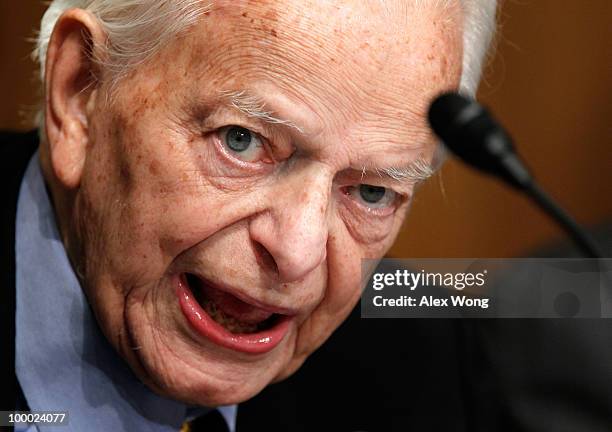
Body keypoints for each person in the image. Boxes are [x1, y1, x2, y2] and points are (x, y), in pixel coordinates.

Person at [1, 0, 497, 430]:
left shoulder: (414, 369)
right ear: (81, 90)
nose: (298, 253)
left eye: (370, 191)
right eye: (242, 141)